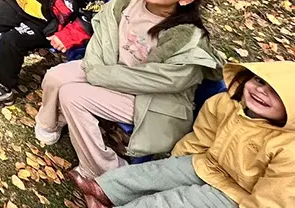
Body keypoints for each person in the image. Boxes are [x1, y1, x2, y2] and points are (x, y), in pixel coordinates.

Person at [37, 0, 219, 182]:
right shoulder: (129, 1)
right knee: (57, 75)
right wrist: (97, 69)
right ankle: (50, 123)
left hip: (151, 99)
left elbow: (168, 81)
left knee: (72, 95)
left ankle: (103, 169)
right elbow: (102, 32)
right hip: (110, 71)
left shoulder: (187, 36)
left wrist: (100, 76)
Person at [73, 61, 293, 208]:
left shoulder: (288, 147)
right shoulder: (226, 103)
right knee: (153, 173)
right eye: (260, 81)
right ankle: (105, 191)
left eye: (277, 93)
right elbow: (201, 137)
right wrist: (176, 163)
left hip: (238, 194)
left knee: (168, 203)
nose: (262, 91)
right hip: (207, 164)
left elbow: (272, 200)